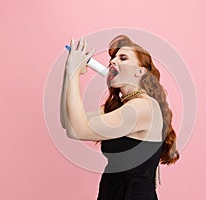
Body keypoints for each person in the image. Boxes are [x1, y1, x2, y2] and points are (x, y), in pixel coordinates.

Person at [60, 35, 180, 199]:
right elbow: (68, 123)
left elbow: (77, 130)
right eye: (112, 58)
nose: (112, 61)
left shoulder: (144, 107)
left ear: (140, 71)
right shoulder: (120, 107)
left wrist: (73, 72)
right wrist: (69, 74)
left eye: (123, 58)